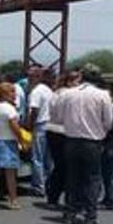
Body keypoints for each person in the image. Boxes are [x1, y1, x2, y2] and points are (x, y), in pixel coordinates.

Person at [59, 65, 113, 224]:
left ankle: (70, 212)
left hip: (71, 140)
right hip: (92, 141)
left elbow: (60, 117)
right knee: (92, 178)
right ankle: (90, 216)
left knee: (72, 177)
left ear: (82, 77)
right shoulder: (103, 95)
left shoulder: (68, 94)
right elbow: (108, 122)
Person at [0, 83, 24, 210]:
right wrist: (21, 140)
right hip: (9, 142)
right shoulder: (10, 109)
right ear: (6, 94)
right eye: (12, 92)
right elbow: (15, 127)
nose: (14, 95)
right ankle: (13, 200)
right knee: (10, 174)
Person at [45, 71, 79, 208]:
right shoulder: (70, 95)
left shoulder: (55, 93)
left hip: (52, 130)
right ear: (69, 82)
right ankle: (63, 198)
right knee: (66, 168)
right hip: (64, 131)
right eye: (77, 82)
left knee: (58, 166)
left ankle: (52, 196)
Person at [27, 66, 55, 198]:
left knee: (37, 157)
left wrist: (30, 125)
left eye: (31, 76)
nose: (29, 79)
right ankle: (49, 184)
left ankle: (38, 186)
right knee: (47, 158)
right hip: (50, 125)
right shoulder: (48, 90)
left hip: (40, 125)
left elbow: (34, 110)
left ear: (38, 77)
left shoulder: (36, 92)